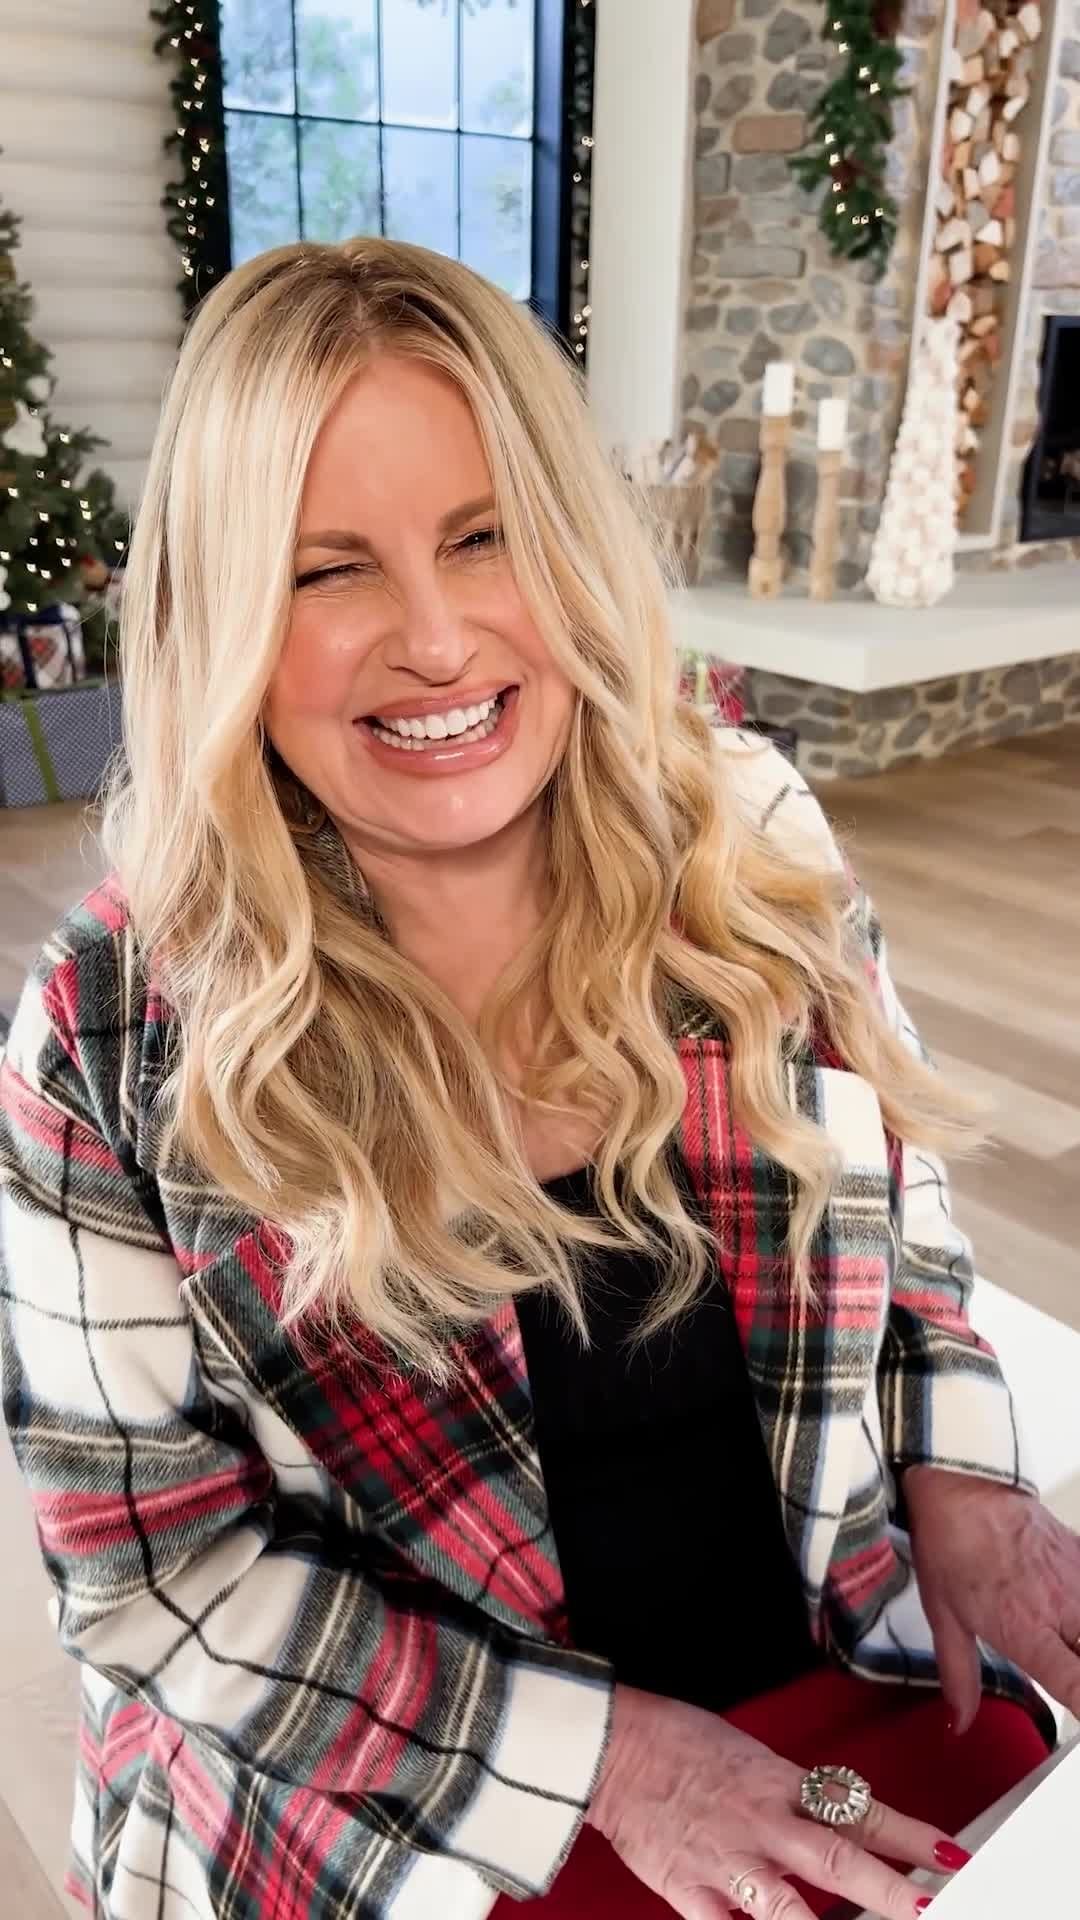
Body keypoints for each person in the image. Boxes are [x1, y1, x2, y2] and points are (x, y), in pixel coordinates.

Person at [0, 238, 1077, 1920]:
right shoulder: (109, 1035)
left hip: (835, 1669)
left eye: (483, 534)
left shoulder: (747, 836)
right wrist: (622, 1765)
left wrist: (966, 1478)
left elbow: (905, 1212)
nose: (437, 640)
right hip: (407, 1804)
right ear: (224, 616)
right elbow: (155, 1578)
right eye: (329, 569)